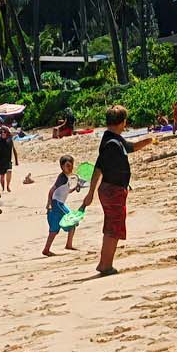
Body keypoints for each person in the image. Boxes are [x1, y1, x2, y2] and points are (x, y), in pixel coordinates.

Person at [77, 105, 131, 276]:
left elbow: (130, 146)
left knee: (112, 227)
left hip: (112, 189)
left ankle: (105, 263)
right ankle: (105, 265)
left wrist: (148, 141)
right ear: (122, 122)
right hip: (112, 190)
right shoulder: (111, 143)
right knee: (113, 229)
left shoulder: (113, 138)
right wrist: (90, 192)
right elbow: (98, 167)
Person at [42, 155, 78, 258]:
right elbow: (52, 190)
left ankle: (47, 249)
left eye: (71, 166)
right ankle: (68, 245)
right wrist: (48, 203)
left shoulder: (66, 178)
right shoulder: (62, 178)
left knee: (54, 228)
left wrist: (74, 189)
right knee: (73, 220)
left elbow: (64, 191)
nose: (70, 168)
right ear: (62, 167)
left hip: (58, 204)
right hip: (56, 204)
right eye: (67, 166)